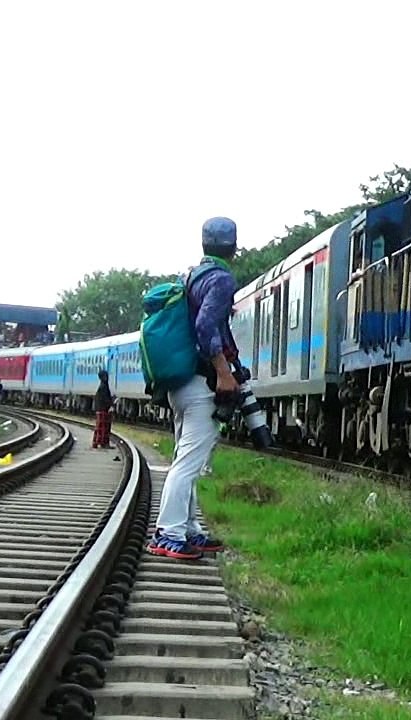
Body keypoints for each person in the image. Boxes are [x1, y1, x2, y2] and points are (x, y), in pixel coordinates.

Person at [146, 217, 238, 561]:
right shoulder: (221, 279)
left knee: (186, 459)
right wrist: (224, 372)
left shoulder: (191, 276)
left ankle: (189, 528)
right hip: (201, 382)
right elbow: (205, 326)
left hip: (181, 383)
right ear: (233, 248)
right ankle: (168, 533)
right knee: (187, 464)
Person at [93, 369, 114, 450]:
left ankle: (97, 442)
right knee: (104, 427)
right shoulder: (104, 387)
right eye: (106, 376)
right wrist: (110, 406)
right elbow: (106, 398)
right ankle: (103, 443)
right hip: (103, 409)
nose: (107, 378)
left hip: (100, 409)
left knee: (99, 427)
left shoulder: (101, 386)